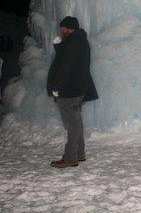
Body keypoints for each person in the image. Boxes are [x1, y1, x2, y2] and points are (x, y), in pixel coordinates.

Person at [47, 16, 98, 168]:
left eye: (63, 28)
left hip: (68, 90)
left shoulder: (73, 42)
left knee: (72, 124)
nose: (61, 30)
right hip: (77, 88)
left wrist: (56, 87)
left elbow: (66, 66)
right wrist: (59, 47)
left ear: (70, 28)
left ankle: (70, 158)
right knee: (76, 121)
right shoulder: (79, 41)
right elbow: (70, 59)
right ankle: (79, 154)